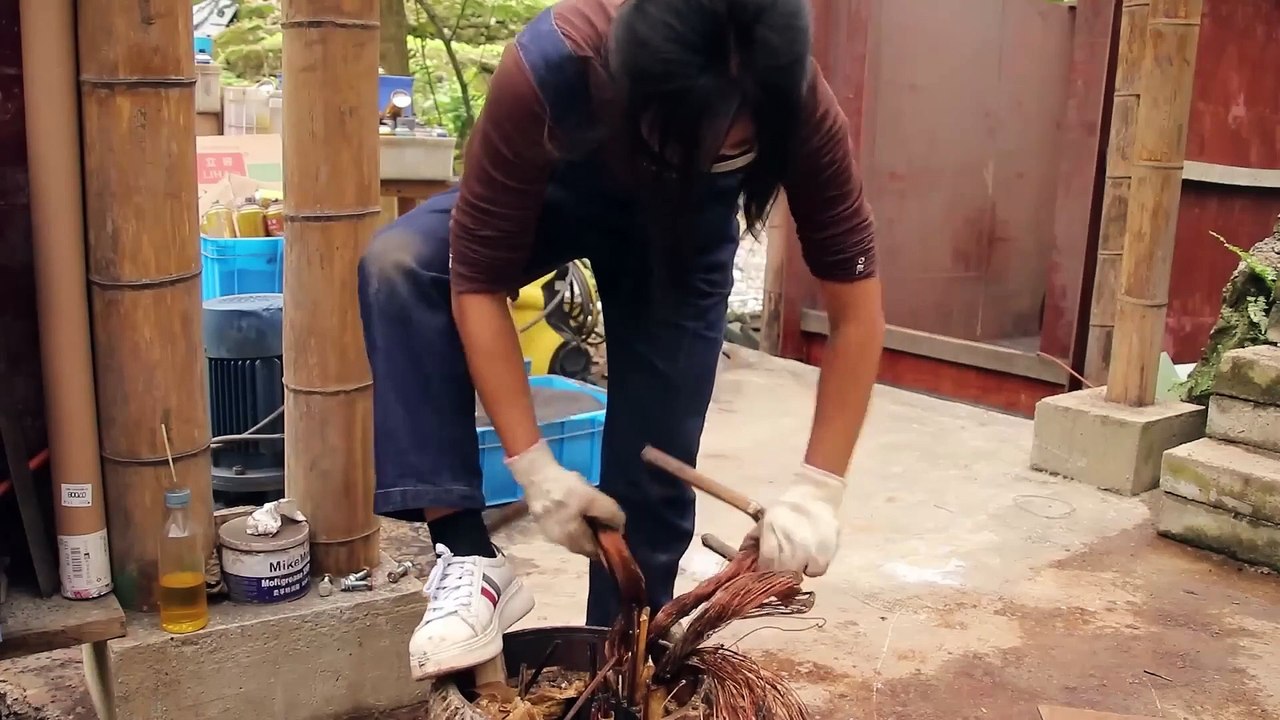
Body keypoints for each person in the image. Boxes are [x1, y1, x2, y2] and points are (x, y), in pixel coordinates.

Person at [357, 0, 884, 681]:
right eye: (686, 137)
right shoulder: (553, 68)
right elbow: (476, 279)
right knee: (401, 264)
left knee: (651, 471)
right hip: (558, 192)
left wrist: (819, 489)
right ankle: (470, 561)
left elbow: (856, 309)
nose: (710, 152)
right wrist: (535, 471)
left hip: (684, 242)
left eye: (732, 150)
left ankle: (616, 672)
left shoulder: (800, 102)